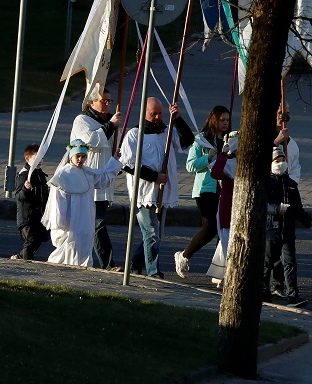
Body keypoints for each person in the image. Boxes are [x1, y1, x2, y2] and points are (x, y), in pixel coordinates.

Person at [119, 98, 195, 278]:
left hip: (162, 191)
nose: (157, 117)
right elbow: (128, 165)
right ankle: (153, 271)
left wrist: (177, 118)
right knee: (151, 232)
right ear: (145, 113)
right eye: (153, 114)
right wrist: (154, 177)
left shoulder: (167, 132)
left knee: (155, 234)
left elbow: (188, 140)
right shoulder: (134, 135)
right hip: (143, 192)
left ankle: (133, 263)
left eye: (160, 113)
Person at [44, 140, 123, 267]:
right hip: (71, 220)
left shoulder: (88, 173)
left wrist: (114, 160)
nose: (80, 159)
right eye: (77, 156)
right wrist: (59, 222)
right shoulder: (63, 175)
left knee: (85, 241)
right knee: (70, 244)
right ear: (71, 156)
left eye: (83, 156)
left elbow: (104, 178)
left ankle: (83, 267)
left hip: (86, 217)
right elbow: (57, 202)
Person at [175, 105, 231, 279]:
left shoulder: (229, 140)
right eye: (222, 120)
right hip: (206, 189)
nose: (225, 123)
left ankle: (220, 269)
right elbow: (190, 165)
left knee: (224, 230)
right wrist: (208, 157)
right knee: (209, 229)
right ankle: (184, 256)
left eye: (227, 120)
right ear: (214, 119)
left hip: (225, 189)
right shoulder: (202, 140)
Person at [70, 88, 122, 270]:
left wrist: (118, 164)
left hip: (104, 180)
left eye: (109, 100)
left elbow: (114, 147)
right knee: (97, 223)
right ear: (92, 103)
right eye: (103, 100)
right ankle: (108, 264)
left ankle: (85, 260)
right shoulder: (82, 120)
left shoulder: (110, 121)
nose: (107, 103)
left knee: (94, 224)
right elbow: (89, 142)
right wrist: (110, 126)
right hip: (86, 179)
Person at [265, 147, 312, 307]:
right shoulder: (267, 182)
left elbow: (297, 209)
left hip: (287, 232)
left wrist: (309, 222)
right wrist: (275, 209)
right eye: (277, 161)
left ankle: (293, 296)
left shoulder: (291, 184)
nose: (280, 164)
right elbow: (261, 205)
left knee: (289, 263)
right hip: (270, 231)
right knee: (267, 263)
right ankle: (263, 292)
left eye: (282, 160)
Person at [268, 101, 302, 298]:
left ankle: (280, 283)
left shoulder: (293, 144)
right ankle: (266, 283)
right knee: (269, 249)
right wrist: (276, 142)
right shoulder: (268, 137)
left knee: (285, 247)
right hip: (270, 198)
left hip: (286, 197)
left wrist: (290, 184)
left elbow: (295, 168)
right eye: (281, 113)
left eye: (287, 113)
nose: (284, 117)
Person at [206, 131, 238, 288]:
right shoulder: (228, 163)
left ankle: (224, 274)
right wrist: (223, 155)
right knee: (226, 241)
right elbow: (215, 173)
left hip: (240, 209)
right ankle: (226, 275)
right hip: (227, 207)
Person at [13, 143, 50, 260]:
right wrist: (25, 189)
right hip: (27, 217)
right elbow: (19, 196)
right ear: (27, 159)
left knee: (41, 237)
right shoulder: (24, 175)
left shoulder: (40, 174)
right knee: (31, 240)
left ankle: (20, 256)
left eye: (41, 158)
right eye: (36, 158)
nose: (40, 161)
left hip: (39, 216)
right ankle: (26, 265)